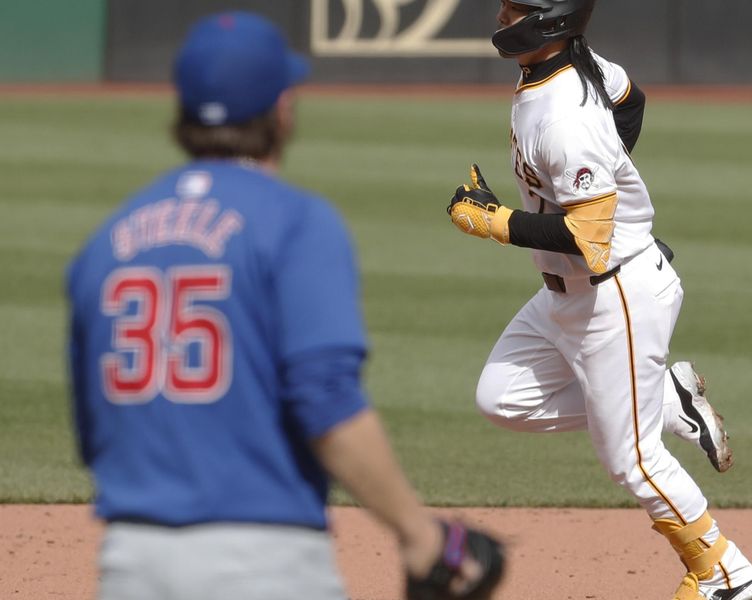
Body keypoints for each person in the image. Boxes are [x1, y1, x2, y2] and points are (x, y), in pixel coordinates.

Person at [66, 11, 503, 600]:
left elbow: (95, 433)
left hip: (129, 562)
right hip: (262, 563)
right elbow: (324, 398)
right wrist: (420, 534)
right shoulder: (297, 222)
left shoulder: (106, 242)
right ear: (282, 111)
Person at [446, 1, 752, 599]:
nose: (501, 15)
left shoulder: (563, 117)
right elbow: (631, 99)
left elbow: (588, 241)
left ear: (549, 21)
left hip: (616, 291)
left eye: (514, 8)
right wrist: (609, 165)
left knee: (633, 460)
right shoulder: (576, 62)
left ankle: (726, 575)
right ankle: (664, 396)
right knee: (503, 397)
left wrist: (493, 221)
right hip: (571, 294)